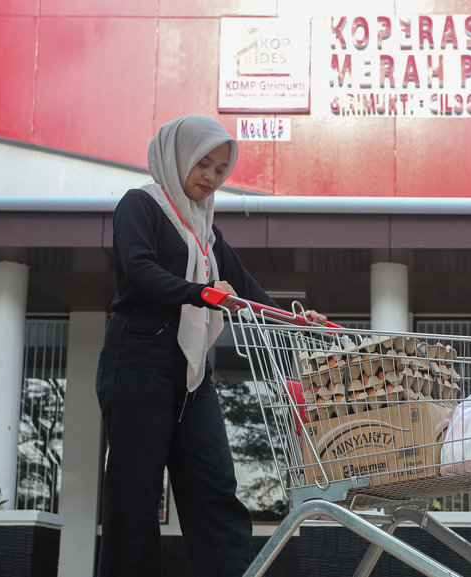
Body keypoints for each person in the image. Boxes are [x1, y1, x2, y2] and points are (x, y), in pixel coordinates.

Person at [95, 114, 325, 577]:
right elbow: (139, 271)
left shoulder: (206, 230)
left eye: (221, 170)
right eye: (203, 163)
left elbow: (247, 289)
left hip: (192, 372)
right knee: (135, 498)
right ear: (177, 156)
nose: (210, 177)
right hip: (138, 359)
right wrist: (200, 292)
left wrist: (296, 320)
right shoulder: (140, 205)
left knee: (215, 490)